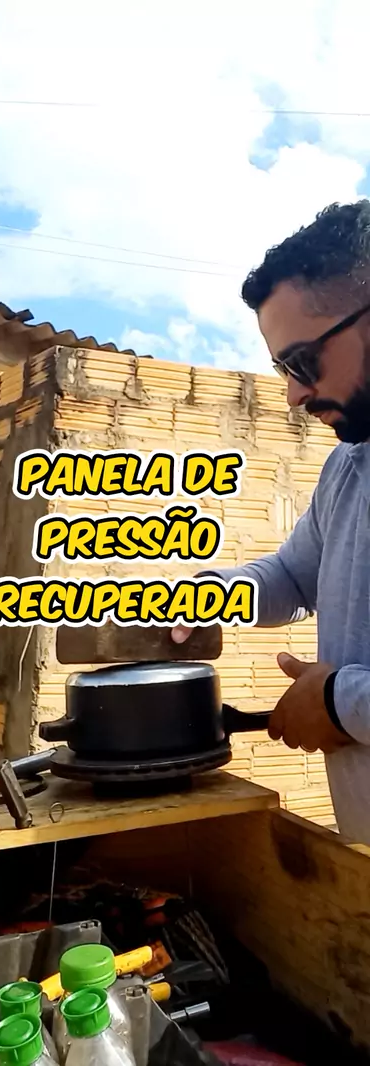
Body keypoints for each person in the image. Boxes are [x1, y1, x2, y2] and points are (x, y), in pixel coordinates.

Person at [172, 200, 370, 844]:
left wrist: (339, 702)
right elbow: (291, 575)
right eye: (284, 369)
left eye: (304, 362)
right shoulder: (350, 468)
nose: (293, 394)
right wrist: (207, 595)